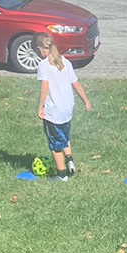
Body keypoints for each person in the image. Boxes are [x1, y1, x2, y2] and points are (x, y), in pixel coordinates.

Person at [33, 31, 91, 182]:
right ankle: (70, 160)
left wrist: (40, 107)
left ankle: (61, 174)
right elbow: (75, 84)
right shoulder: (65, 61)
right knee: (64, 135)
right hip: (67, 109)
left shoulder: (44, 65)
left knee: (55, 143)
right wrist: (85, 100)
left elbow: (44, 87)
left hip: (54, 111)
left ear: (40, 49)